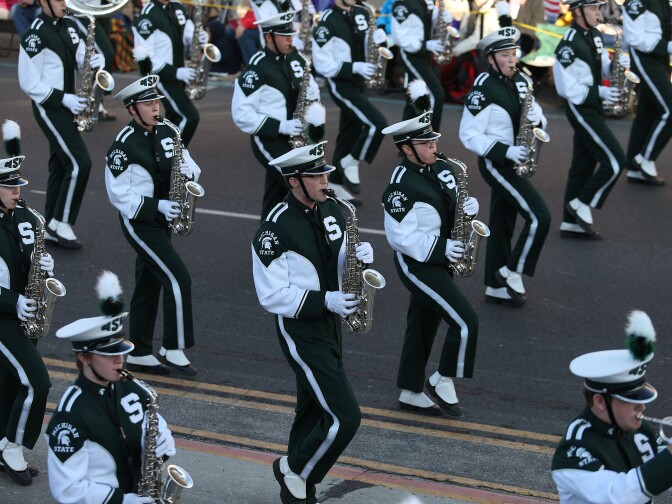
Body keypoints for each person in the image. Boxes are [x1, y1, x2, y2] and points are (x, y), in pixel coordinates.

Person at [252, 141, 374, 504]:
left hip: (331, 321)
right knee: (345, 416)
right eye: (316, 175)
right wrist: (326, 300)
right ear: (294, 182)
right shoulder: (274, 230)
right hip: (301, 329)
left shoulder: (335, 209)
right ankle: (297, 470)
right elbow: (271, 295)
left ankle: (295, 481)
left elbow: (337, 261)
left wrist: (358, 259)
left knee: (310, 404)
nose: (325, 181)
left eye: (324, 174)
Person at [381, 102, 480, 417]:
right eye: (425, 144)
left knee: (422, 325)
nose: (433, 147)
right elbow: (400, 238)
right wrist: (441, 250)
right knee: (466, 321)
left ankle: (410, 391)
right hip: (418, 265)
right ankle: (442, 378)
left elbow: (452, 204)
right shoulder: (400, 187)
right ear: (407, 149)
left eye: (433, 140)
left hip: (442, 259)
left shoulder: (442, 167)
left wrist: (466, 211)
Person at [47, 271, 177, 504]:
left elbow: (155, 427)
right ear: (84, 358)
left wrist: (164, 441)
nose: (120, 360)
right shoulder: (70, 415)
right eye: (109, 355)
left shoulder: (133, 389)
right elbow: (67, 489)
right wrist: (126, 501)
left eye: (121, 352)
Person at [105, 75, 201, 375]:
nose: (155, 108)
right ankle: (172, 347)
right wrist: (157, 205)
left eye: (156, 101)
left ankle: (140, 351)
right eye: (148, 104)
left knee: (148, 282)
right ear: (133, 110)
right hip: (139, 221)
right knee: (177, 278)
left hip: (164, 218)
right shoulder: (123, 146)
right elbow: (118, 194)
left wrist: (189, 174)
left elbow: (190, 166)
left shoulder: (168, 131)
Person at [459, 27, 551, 306]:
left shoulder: (523, 81)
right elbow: (468, 134)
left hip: (518, 159)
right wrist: (507, 151)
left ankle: (495, 286)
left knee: (502, 223)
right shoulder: (483, 88)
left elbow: (538, 120)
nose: (512, 59)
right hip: (497, 162)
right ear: (491, 58)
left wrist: (539, 119)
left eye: (514, 53)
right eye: (505, 55)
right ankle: (512, 270)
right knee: (539, 217)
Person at [552, 310, 672, 502]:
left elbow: (657, 460)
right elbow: (617, 495)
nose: (641, 407)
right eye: (630, 400)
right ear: (600, 401)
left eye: (640, 399)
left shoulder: (638, 430)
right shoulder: (574, 450)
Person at [17, 0, 107, 249]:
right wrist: (64, 98)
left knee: (60, 164)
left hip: (68, 105)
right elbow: (28, 82)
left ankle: (48, 226)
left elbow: (81, 59)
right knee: (80, 163)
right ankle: (62, 222)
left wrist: (93, 62)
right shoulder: (35, 34)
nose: (65, 4)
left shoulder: (69, 26)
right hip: (49, 106)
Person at [0, 120, 52, 486]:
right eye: (10, 187)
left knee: (8, 382)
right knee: (37, 382)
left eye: (19, 185)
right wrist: (12, 301)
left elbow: (29, 256)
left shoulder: (24, 217)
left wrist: (45, 266)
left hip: (23, 312)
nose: (18, 192)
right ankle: (14, 447)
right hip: (2, 315)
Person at [231, 10, 321, 219]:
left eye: (292, 34)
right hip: (269, 139)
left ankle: (267, 239)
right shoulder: (257, 67)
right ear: (269, 37)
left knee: (276, 193)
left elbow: (312, 89)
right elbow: (241, 114)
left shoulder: (297, 58)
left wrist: (313, 100)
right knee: (299, 187)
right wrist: (281, 126)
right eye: (285, 35)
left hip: (298, 137)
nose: (291, 39)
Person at [553, 0, 627, 238]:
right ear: (577, 12)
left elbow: (602, 67)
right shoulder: (567, 45)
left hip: (594, 105)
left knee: (582, 165)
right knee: (615, 160)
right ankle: (580, 203)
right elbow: (566, 88)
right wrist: (600, 92)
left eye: (599, 8)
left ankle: (570, 223)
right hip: (581, 107)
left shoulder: (594, 35)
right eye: (594, 8)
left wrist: (616, 63)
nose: (599, 13)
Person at [312, 0, 389, 201]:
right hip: (341, 83)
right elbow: (321, 62)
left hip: (360, 82)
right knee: (376, 124)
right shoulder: (327, 21)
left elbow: (370, 46)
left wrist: (382, 39)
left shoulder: (363, 12)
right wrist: (354, 67)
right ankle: (351, 161)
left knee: (349, 133)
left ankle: (336, 183)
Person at [133, 0, 208, 147]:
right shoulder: (147, 16)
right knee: (189, 116)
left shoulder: (177, 7)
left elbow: (187, 35)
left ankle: (155, 154)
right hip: (163, 76)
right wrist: (175, 72)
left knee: (174, 118)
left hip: (180, 71)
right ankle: (173, 156)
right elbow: (145, 56)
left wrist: (199, 37)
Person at [622, 0, 670, 186]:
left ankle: (634, 169)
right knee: (670, 109)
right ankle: (644, 159)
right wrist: (667, 47)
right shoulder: (636, 2)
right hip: (645, 58)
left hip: (661, 57)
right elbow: (634, 38)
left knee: (647, 112)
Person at [391, 0, 451, 131]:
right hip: (411, 55)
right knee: (436, 94)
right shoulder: (403, 4)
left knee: (414, 97)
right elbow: (400, 37)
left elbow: (430, 18)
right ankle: (428, 140)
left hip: (424, 55)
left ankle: (406, 140)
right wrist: (426, 45)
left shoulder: (427, 1)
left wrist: (443, 17)